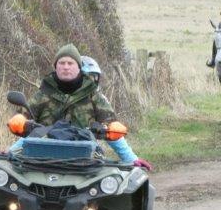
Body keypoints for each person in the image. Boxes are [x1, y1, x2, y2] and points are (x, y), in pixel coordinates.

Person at [22, 43, 151, 170]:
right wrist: (13, 150)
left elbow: (110, 126)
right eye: (62, 63)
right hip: (42, 156)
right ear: (56, 66)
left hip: (85, 159)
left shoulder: (94, 96)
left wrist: (131, 159)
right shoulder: (44, 93)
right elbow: (27, 125)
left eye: (70, 63)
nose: (66, 67)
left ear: (78, 68)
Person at [80, 55, 149, 169]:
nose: (90, 82)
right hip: (53, 152)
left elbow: (112, 131)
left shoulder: (99, 100)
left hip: (87, 154)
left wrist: (131, 159)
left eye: (93, 78)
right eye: (86, 78)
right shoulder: (53, 96)